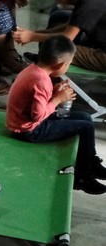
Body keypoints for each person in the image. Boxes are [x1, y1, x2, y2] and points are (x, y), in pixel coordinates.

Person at [6, 35, 106, 194]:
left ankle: (92, 163)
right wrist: (57, 100)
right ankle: (83, 177)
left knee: (85, 118)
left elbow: (37, 103)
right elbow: (37, 116)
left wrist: (55, 93)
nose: (69, 66)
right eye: (69, 63)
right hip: (29, 130)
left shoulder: (34, 70)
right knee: (85, 127)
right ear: (59, 64)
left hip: (26, 122)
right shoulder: (41, 81)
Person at [14, 0, 106, 72]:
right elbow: (68, 26)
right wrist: (37, 33)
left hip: (102, 55)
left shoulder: (90, 2)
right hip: (97, 42)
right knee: (52, 32)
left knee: (57, 48)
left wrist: (32, 36)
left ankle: (41, 78)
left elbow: (66, 38)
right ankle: (41, 63)